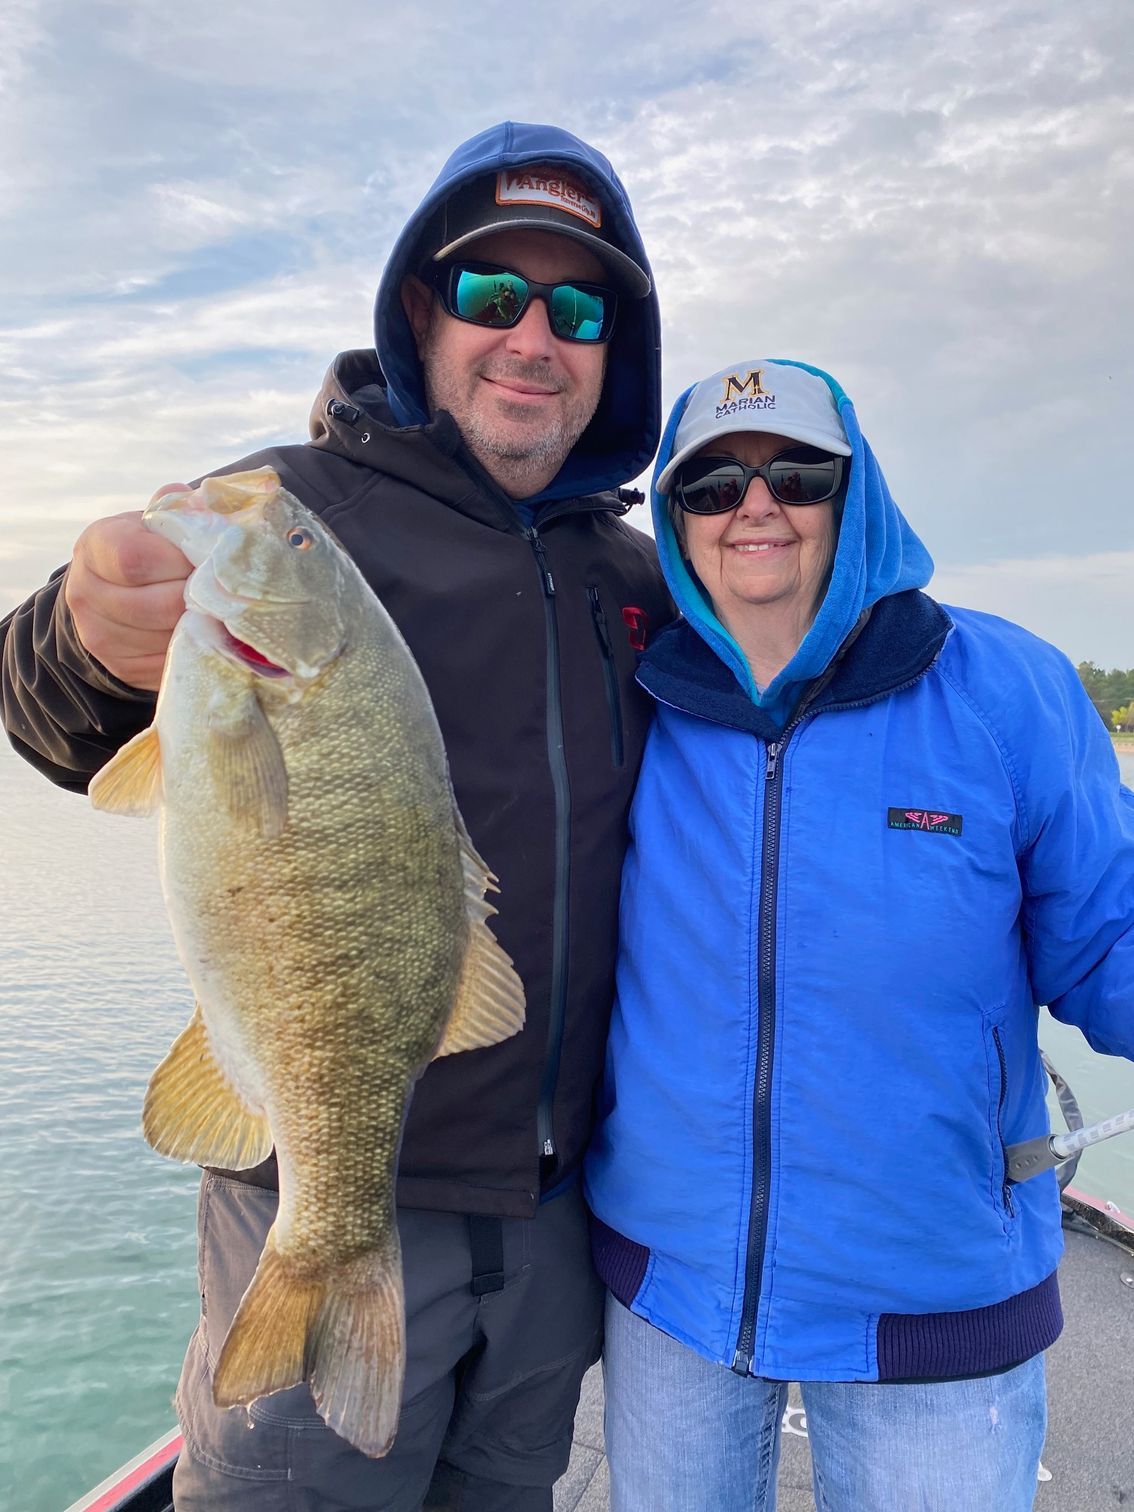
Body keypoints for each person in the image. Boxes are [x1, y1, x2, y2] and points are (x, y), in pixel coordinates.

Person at [1, 122, 672, 1511]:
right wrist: (85, 636)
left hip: (555, 1227)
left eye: (578, 309)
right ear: (423, 310)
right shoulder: (291, 516)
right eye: (493, 293)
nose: (533, 337)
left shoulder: (638, 579)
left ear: (615, 348)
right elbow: (54, 713)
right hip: (318, 1174)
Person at [584, 358, 1134, 1511]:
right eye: (713, 485)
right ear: (677, 519)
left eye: (797, 473)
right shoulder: (634, 697)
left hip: (935, 1306)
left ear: (857, 492)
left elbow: (1109, 940)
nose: (756, 506)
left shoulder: (1007, 689)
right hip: (671, 1296)